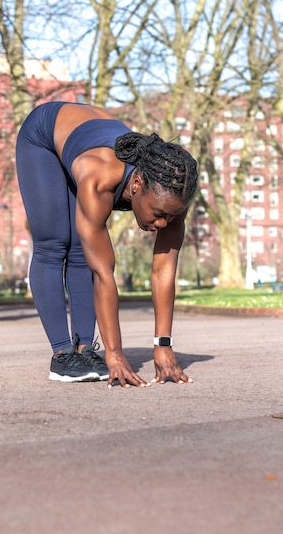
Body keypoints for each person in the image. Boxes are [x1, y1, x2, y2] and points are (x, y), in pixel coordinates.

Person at [16, 101, 198, 388]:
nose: (163, 224)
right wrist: (114, 354)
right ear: (136, 184)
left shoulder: (172, 195)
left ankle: (85, 350)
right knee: (55, 243)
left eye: (172, 215)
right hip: (43, 136)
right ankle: (63, 354)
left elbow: (164, 271)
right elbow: (103, 273)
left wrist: (163, 346)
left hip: (87, 134)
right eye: (159, 214)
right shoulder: (98, 180)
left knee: (81, 248)